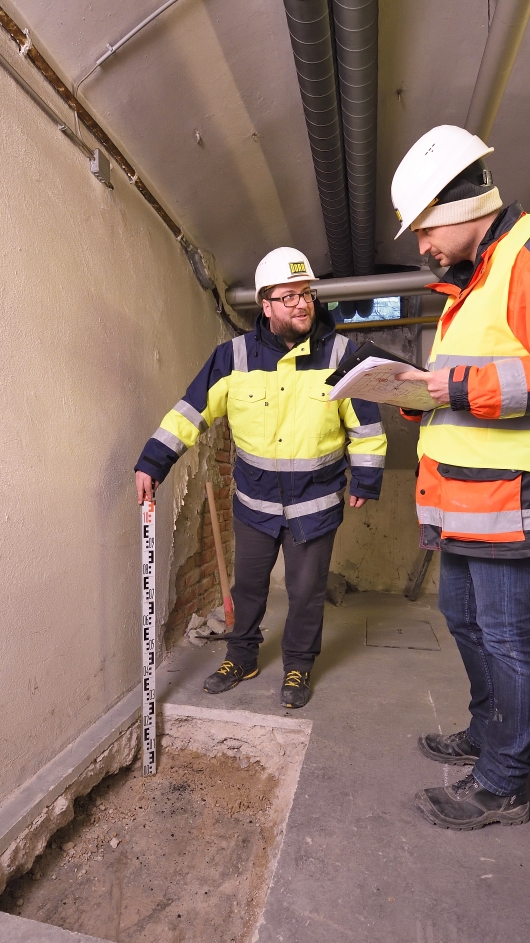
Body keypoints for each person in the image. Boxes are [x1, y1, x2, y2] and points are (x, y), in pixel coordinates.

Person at [389, 125, 530, 829]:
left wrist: (451, 387)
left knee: (509, 636)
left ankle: (503, 783)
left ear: (458, 210)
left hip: (512, 498)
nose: (422, 246)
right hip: (466, 498)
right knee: (463, 619)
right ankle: (486, 735)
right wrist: (416, 398)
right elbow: (465, 389)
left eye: (423, 230)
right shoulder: (473, 283)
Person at [134, 247, 387, 709]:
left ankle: (298, 666)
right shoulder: (232, 357)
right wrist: (153, 462)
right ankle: (241, 656)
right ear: (265, 305)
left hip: (316, 503)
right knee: (247, 587)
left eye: (306, 294)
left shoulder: (341, 353)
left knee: (306, 592)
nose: (302, 304)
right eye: (289, 297)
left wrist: (366, 479)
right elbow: (191, 412)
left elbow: (365, 424)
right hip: (255, 503)